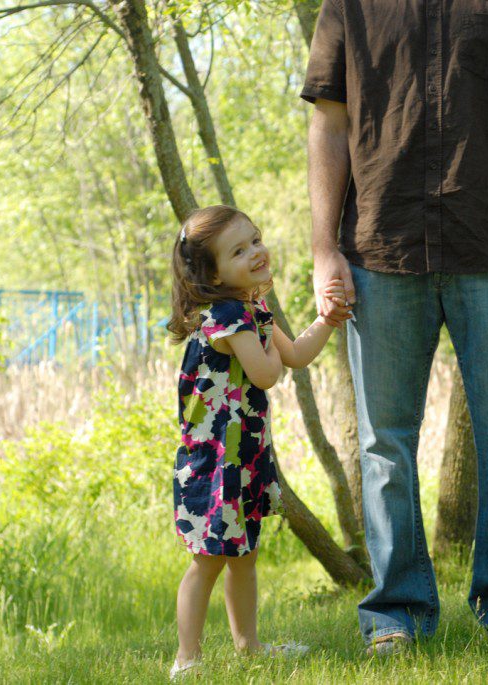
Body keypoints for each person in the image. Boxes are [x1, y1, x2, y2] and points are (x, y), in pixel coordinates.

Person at [300, 0, 488, 654]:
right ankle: (395, 616)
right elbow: (329, 122)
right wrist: (323, 249)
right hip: (379, 250)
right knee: (384, 446)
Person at [166, 205, 349, 678]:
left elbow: (297, 355)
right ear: (212, 275)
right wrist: (266, 335)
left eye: (255, 240)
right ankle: (186, 659)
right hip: (215, 465)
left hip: (242, 458)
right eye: (238, 251)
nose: (255, 252)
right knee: (207, 561)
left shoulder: (250, 310)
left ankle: (249, 647)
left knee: (244, 556)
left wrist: (327, 320)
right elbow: (268, 373)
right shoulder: (229, 316)